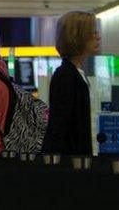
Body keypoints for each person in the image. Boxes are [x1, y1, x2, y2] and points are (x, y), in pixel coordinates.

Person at [42, 11, 100, 155]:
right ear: (79, 37)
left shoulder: (74, 73)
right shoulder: (66, 76)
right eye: (93, 33)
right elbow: (60, 126)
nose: (98, 37)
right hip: (72, 163)